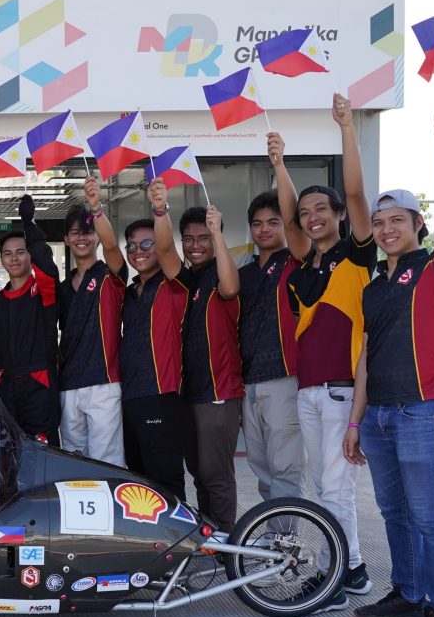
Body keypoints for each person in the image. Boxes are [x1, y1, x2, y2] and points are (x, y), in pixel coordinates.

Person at [344, 99, 434, 617]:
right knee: (394, 512)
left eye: (398, 220)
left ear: (417, 225)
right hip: (382, 415)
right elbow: (366, 355)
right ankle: (409, 592)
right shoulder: (373, 286)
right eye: (380, 222)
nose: (388, 229)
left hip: (426, 409)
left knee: (429, 515)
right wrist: (356, 420)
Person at [287, 94, 375, 608]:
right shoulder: (304, 270)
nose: (313, 217)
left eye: (323, 208)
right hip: (308, 393)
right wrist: (279, 166)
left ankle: (335, 578)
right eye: (305, 212)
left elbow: (360, 193)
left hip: (343, 393)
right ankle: (356, 570)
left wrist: (346, 127)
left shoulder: (358, 256)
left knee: (335, 493)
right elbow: (287, 210)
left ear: (340, 215)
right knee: (327, 490)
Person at [237, 134, 308, 517]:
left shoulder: (296, 260)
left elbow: (295, 217)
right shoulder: (245, 274)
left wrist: (279, 165)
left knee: (285, 469)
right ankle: (277, 539)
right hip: (250, 382)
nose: (264, 229)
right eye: (257, 223)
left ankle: (284, 546)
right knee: (262, 470)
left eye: (273, 222)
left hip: (285, 379)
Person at [161, 204, 241, 532]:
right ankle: (211, 539)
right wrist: (159, 209)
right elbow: (165, 250)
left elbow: (231, 288)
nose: (195, 244)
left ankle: (225, 545)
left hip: (219, 390)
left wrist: (218, 233)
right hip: (189, 393)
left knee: (216, 474)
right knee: (199, 473)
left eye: (204, 238)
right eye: (189, 239)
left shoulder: (222, 274)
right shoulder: (187, 280)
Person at [119, 179, 191, 501]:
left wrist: (160, 208)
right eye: (131, 246)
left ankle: (183, 550)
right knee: (139, 483)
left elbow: (166, 249)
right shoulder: (130, 291)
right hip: (129, 396)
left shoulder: (174, 283)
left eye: (146, 244)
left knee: (166, 481)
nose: (138, 251)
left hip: (161, 394)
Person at [57, 177, 127, 466]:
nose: (82, 237)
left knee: (106, 463)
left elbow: (112, 247)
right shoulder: (63, 287)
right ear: (66, 239)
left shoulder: (109, 274)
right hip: (68, 384)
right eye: (75, 233)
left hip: (104, 383)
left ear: (96, 236)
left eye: (88, 232)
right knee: (74, 463)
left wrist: (96, 207)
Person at [0, 195, 61, 444]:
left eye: (21, 252)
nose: (14, 258)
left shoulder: (43, 292)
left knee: (42, 457)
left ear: (30, 256)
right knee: (9, 457)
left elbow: (48, 266)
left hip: (39, 386)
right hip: (7, 391)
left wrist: (29, 223)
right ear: (1, 260)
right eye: (7, 254)